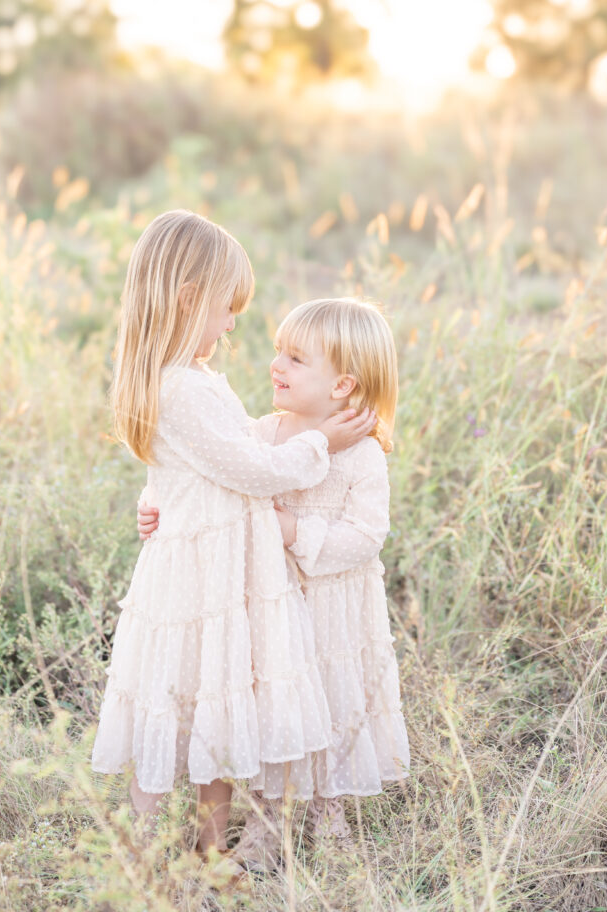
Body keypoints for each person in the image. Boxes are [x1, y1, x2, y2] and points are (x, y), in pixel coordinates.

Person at [91, 211, 377, 881]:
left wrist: (151, 499)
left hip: (213, 575)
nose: (230, 325)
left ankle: (208, 850)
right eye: (227, 309)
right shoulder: (181, 386)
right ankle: (151, 845)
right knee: (185, 704)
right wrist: (320, 443)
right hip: (201, 582)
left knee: (210, 707)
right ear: (189, 296)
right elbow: (253, 469)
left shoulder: (191, 377)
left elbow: (193, 466)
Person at [139, 296, 409, 869]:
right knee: (274, 711)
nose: (275, 366)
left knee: (331, 711)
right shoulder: (262, 432)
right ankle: (267, 826)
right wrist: (154, 497)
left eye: (294, 358)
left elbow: (365, 537)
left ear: (343, 386)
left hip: (332, 607)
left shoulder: (361, 455)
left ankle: (328, 817)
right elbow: (207, 467)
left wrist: (294, 530)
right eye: (278, 352)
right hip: (265, 601)